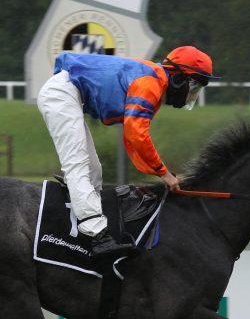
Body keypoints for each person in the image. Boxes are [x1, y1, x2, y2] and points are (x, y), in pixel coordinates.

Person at [37, 46, 220, 258]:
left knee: (93, 171)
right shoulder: (149, 83)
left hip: (69, 95)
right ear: (179, 79)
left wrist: (159, 171)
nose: (193, 94)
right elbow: (137, 135)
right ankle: (96, 235)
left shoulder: (155, 82)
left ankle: (75, 220)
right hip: (61, 94)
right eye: (194, 85)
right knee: (78, 163)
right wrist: (164, 173)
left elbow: (133, 138)